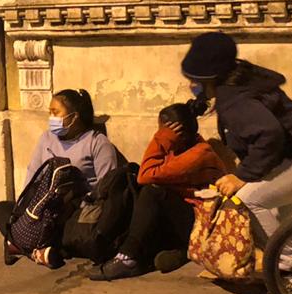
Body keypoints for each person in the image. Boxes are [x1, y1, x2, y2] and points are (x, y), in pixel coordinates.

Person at [176, 31, 292, 266]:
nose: (191, 85)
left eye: (194, 80)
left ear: (210, 78)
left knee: (247, 202)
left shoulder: (235, 100)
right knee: (276, 220)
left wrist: (242, 176)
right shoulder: (241, 83)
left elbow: (269, 134)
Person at [88, 103, 226, 280]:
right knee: (132, 186)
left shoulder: (198, 154)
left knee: (152, 191)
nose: (160, 135)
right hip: (176, 215)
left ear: (177, 133)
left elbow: (146, 175)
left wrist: (161, 140)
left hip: (197, 223)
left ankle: (128, 257)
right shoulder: (177, 148)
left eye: (163, 131)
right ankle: (148, 253)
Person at [0, 88, 122, 267]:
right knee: (1, 210)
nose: (51, 118)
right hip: (41, 209)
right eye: (50, 112)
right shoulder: (47, 138)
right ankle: (38, 252)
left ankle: (20, 244)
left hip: (73, 212)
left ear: (74, 116)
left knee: (74, 232)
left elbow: (106, 186)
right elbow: (33, 174)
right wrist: (25, 209)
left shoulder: (97, 142)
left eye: (55, 112)